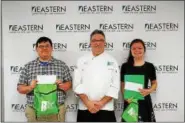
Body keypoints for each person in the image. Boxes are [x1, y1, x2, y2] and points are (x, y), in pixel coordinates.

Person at [17, 36, 72, 122]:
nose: (44, 48)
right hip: (34, 111)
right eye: (41, 46)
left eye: (47, 46)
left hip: (57, 110)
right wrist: (30, 87)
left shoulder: (62, 65)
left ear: (52, 48)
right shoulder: (28, 67)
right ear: (36, 49)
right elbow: (20, 89)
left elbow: (69, 85)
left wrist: (61, 85)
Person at [73, 29, 120, 122]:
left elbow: (115, 86)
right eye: (94, 40)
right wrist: (88, 103)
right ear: (90, 43)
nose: (97, 43)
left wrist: (101, 103)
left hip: (106, 108)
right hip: (85, 107)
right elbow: (77, 84)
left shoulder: (112, 61)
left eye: (101, 40)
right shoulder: (81, 60)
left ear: (105, 43)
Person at [120, 39, 157, 122]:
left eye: (140, 48)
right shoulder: (125, 66)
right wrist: (126, 97)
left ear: (144, 50)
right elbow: (122, 84)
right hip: (130, 101)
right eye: (134, 48)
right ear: (131, 50)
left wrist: (148, 90)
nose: (137, 50)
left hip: (144, 101)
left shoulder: (150, 66)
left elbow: (154, 83)